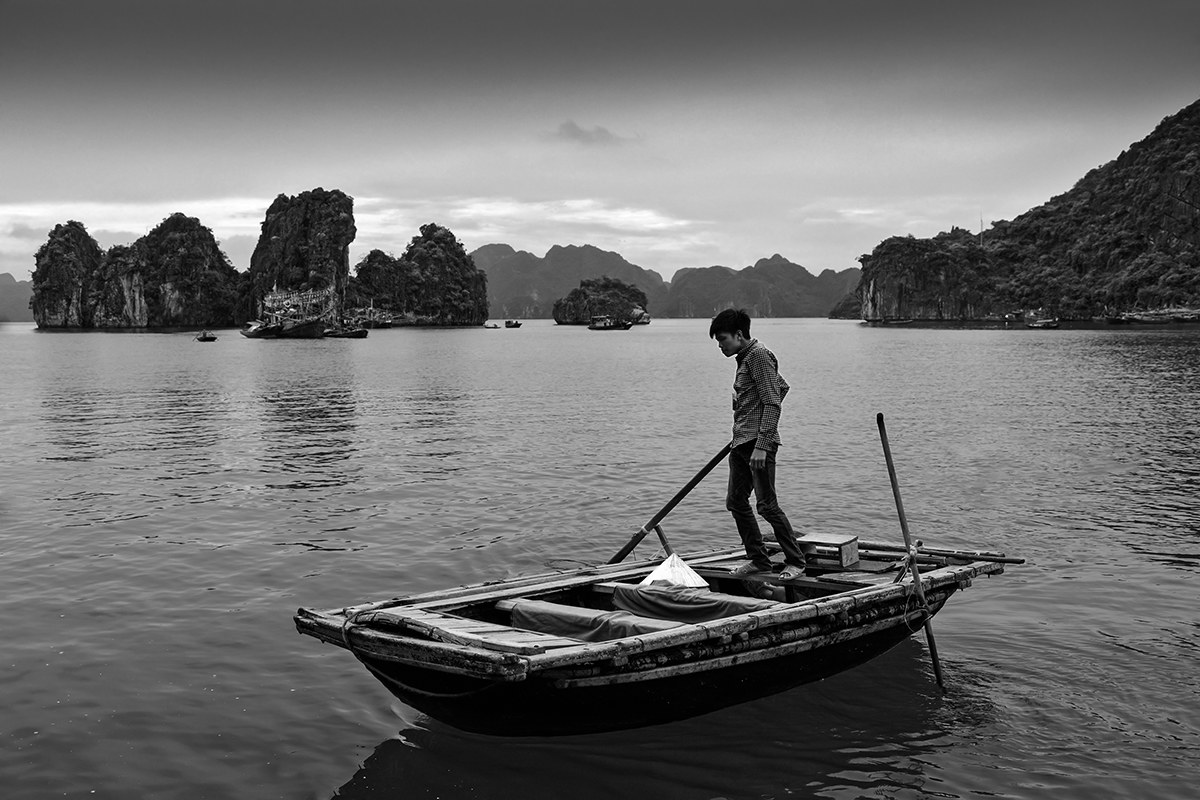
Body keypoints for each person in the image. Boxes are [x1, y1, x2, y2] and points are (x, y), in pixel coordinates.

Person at [708, 308, 811, 581]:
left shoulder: (759, 356)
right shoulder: (745, 358)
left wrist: (762, 444)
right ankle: (758, 560)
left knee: (766, 505)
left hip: (756, 444)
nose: (720, 346)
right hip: (741, 441)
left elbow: (773, 401)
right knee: (736, 502)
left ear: (739, 335)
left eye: (723, 339)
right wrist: (744, 405)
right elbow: (781, 387)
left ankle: (796, 561)